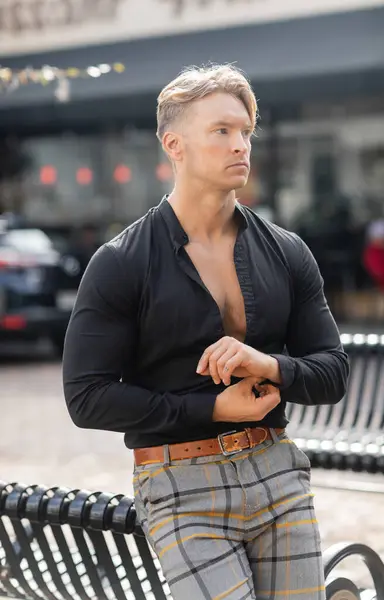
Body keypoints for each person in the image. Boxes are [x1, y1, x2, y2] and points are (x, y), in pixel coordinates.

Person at [63, 64, 349, 600]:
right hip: (180, 485)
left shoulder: (287, 252)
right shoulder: (121, 263)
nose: (240, 145)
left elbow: (333, 373)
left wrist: (269, 365)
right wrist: (212, 411)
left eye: (245, 132)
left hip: (277, 470)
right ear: (175, 144)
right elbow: (87, 397)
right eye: (221, 131)